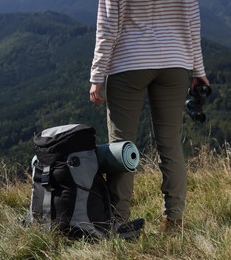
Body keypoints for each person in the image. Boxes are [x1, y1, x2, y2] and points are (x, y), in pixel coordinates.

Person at [89, 0, 210, 231]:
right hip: (176, 61)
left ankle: (118, 221)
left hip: (129, 60)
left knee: (121, 147)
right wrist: (198, 69)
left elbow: (107, 25)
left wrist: (97, 74)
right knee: (171, 144)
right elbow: (193, 21)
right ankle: (174, 221)